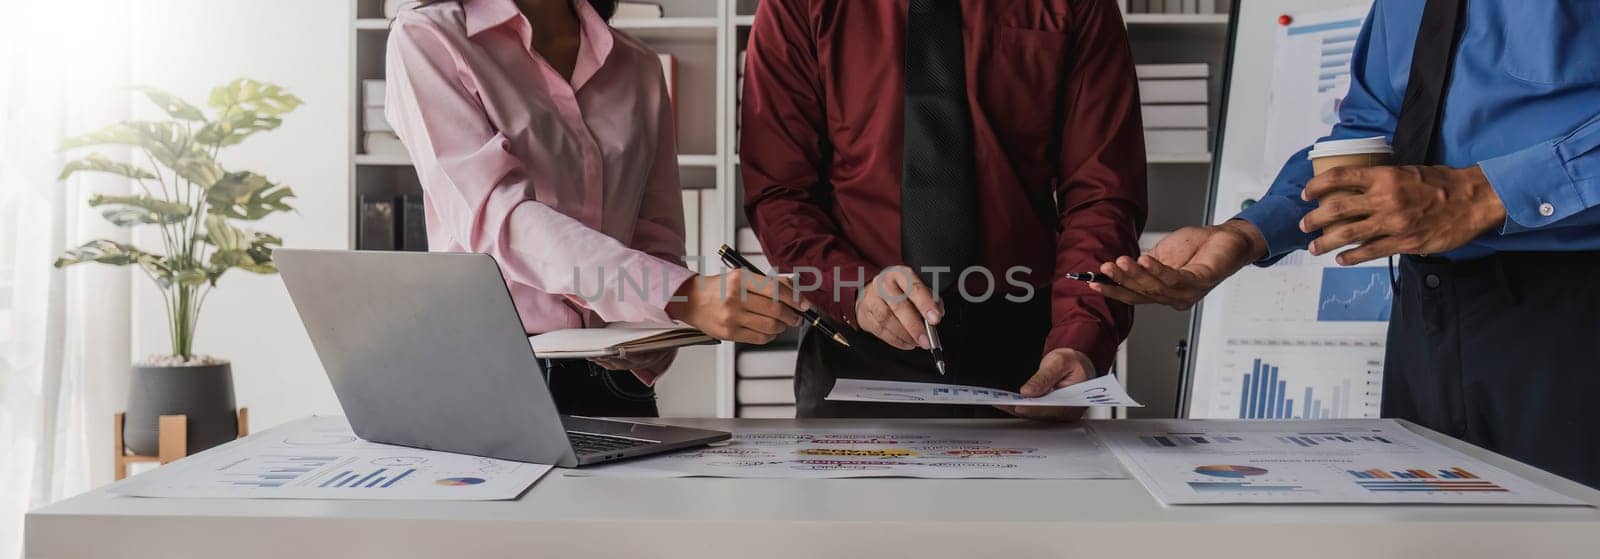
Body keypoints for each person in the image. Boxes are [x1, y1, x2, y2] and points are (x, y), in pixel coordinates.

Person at [1095, 0, 1600, 487]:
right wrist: (1247, 234)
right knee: (1432, 539)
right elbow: (1370, 131)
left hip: (1573, 312)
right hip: (1428, 318)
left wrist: (1483, 195)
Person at [387, 0, 808, 417]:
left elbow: (655, 236)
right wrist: (682, 294)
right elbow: (498, 217)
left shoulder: (637, 66)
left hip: (614, 379)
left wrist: (649, 339)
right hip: (490, 373)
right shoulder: (429, 37)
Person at [741, 0, 1147, 419]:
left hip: (1031, 349)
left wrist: (1080, 338)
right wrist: (853, 291)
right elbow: (780, 192)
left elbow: (1101, 193)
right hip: (857, 337)